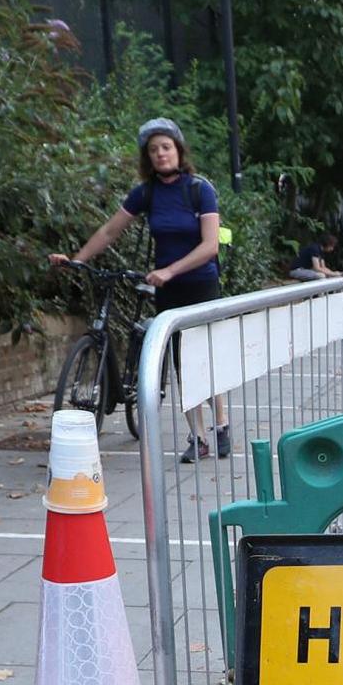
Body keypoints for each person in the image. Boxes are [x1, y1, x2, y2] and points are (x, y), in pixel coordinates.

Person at [56, 120, 227, 462]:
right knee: (181, 364)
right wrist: (76, 260)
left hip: (200, 285)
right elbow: (109, 231)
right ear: (147, 158)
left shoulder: (199, 189)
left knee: (204, 362)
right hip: (167, 290)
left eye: (166, 147)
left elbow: (210, 246)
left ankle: (221, 426)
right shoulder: (146, 193)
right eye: (153, 150)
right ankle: (199, 438)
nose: (160, 154)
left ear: (178, 149)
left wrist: (170, 270)